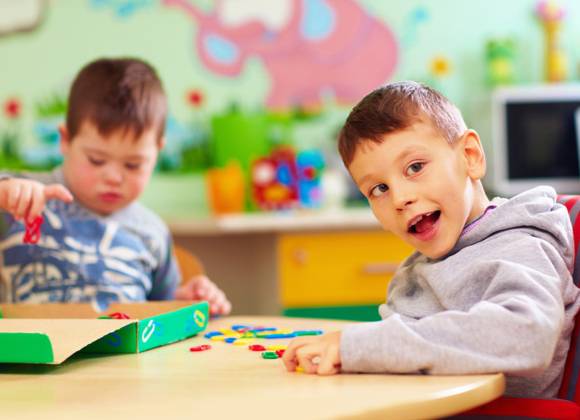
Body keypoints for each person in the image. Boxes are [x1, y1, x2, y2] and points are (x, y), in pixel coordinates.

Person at [282, 81, 580, 398]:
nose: (399, 198)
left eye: (415, 167)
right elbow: (398, 358)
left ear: (470, 156)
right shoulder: (411, 276)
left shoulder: (519, 243)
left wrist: (359, 345)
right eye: (378, 189)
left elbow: (526, 334)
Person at [0, 57, 231, 315]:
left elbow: (160, 311)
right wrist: (5, 193)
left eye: (133, 165)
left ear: (157, 152)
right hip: (23, 355)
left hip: (123, 357)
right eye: (96, 160)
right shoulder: (16, 198)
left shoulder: (151, 232)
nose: (113, 177)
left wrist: (187, 302)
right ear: (65, 140)